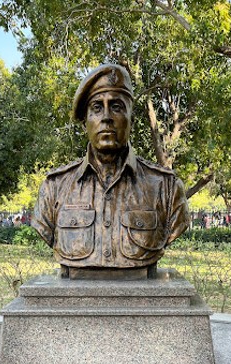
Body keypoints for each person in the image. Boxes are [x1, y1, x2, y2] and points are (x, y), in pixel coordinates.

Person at [33, 64, 190, 279]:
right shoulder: (55, 187)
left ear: (131, 120)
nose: (106, 117)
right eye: (97, 108)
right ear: (85, 123)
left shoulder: (166, 188)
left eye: (116, 107)